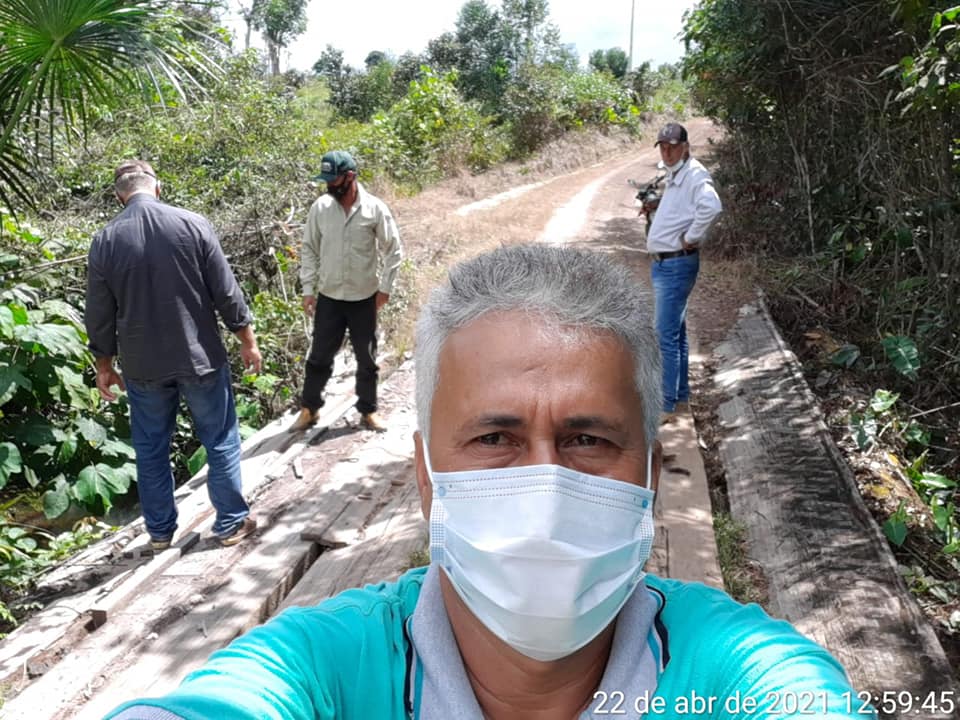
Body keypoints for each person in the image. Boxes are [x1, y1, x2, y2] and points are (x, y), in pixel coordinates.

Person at [104, 244, 873, 720]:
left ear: (646, 470)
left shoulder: (735, 670)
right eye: (496, 437)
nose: (544, 489)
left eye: (587, 437)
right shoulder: (322, 669)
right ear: (427, 477)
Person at [85, 159, 260, 550]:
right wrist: (247, 340)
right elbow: (225, 290)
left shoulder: (105, 240)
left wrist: (104, 365)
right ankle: (231, 523)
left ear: (119, 196)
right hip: (199, 357)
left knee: (150, 450)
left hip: (143, 366)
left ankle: (160, 534)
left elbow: (98, 311)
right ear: (157, 188)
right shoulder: (192, 223)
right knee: (219, 439)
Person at [289, 150, 403, 433]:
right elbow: (309, 249)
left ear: (350, 177)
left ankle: (368, 411)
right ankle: (310, 409)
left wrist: (385, 289)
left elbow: (394, 250)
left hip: (364, 299)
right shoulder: (321, 209)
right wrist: (308, 289)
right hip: (329, 298)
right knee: (318, 358)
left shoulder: (375, 209)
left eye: (334, 179)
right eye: (326, 180)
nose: (329, 185)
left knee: (367, 359)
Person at [644, 122, 722, 417]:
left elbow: (711, 206)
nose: (667, 151)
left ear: (686, 147)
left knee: (664, 336)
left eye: (673, 147)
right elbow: (684, 207)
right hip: (669, 263)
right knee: (676, 334)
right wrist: (658, 207)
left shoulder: (694, 174)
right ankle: (679, 396)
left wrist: (691, 237)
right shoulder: (678, 172)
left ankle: (664, 405)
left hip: (676, 264)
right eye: (663, 147)